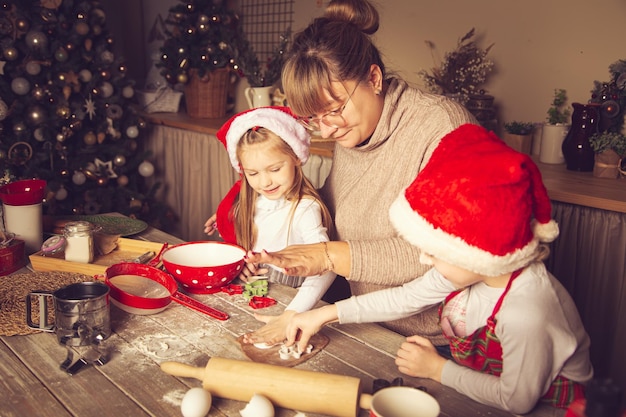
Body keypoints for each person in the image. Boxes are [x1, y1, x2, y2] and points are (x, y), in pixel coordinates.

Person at [276, 124, 594, 414]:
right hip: (484, 387)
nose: (425, 259)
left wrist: (437, 369)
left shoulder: (527, 313)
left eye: (436, 252)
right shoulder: (474, 268)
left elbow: (517, 400)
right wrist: (322, 315)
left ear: (477, 253)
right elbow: (405, 298)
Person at [244, 0, 477, 347]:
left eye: (334, 109)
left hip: (441, 342)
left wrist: (327, 255)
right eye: (314, 118)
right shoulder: (353, 129)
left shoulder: (442, 127)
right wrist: (271, 234)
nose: (327, 129)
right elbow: (336, 206)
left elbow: (446, 252)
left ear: (374, 78)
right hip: (367, 321)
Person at [204, 106, 335, 345]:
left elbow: (328, 265)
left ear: (296, 157)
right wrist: (241, 268)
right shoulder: (251, 201)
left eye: (275, 169)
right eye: (253, 174)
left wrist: (292, 314)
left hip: (292, 306)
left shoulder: (305, 209)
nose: (265, 182)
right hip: (252, 301)